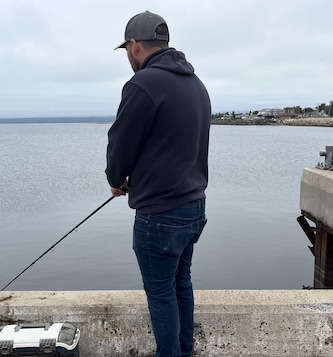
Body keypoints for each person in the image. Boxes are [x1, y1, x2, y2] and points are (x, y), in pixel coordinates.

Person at [106, 11, 211, 357]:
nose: (128, 56)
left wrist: (116, 180)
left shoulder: (142, 84)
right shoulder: (197, 85)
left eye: (126, 50)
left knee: (161, 291)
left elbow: (121, 142)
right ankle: (184, 349)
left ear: (134, 46)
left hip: (160, 215)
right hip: (194, 206)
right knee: (181, 282)